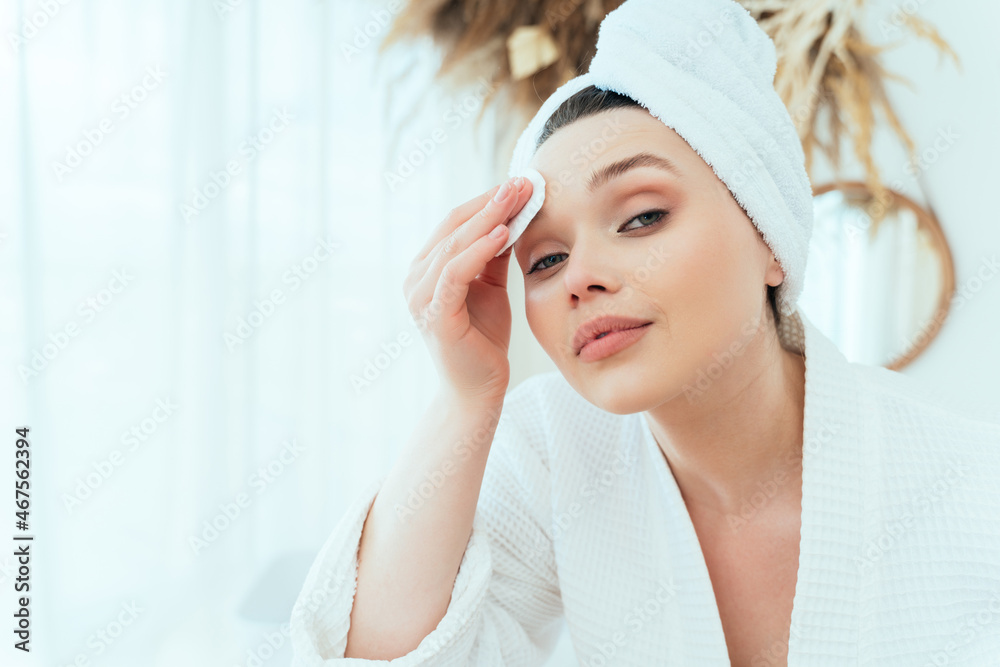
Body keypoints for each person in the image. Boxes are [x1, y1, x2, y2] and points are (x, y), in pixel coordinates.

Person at [290, 0, 1000, 665]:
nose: (579, 278)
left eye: (641, 217)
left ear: (770, 238)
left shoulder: (969, 487)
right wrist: (463, 396)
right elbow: (377, 653)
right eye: (545, 258)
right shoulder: (554, 451)